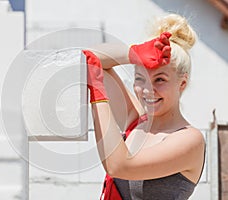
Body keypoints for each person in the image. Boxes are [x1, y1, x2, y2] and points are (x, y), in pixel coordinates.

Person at [82, 13, 205, 200]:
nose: (148, 90)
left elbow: (119, 166)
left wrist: (98, 95)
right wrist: (134, 53)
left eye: (160, 79)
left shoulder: (190, 140)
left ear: (182, 83)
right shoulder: (135, 121)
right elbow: (90, 57)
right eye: (141, 79)